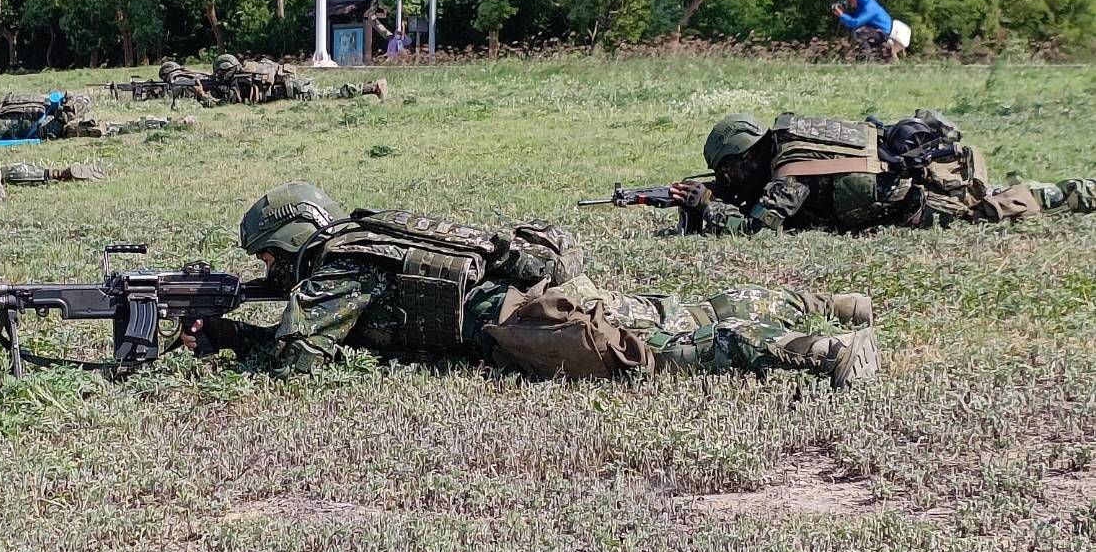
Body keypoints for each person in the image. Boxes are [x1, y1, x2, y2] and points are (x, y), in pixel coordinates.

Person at [182, 182, 881, 388]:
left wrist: (229, 340)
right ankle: (824, 302)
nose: (272, 272)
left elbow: (299, 360)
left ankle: (817, 350)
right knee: (669, 307)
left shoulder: (336, 269)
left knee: (661, 350)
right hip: (541, 287)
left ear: (291, 240)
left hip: (524, 323)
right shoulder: (371, 236)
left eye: (271, 259)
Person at [669, 111, 1096, 235]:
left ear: (746, 155)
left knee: (997, 206)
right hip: (913, 172)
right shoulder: (791, 135)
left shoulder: (788, 174)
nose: (730, 178)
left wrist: (707, 206)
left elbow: (758, 230)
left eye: (729, 170)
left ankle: (1078, 193)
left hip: (924, 198)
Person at [208, 54, 387, 104]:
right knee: (329, 93)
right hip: (292, 85)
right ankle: (371, 87)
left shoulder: (241, 79)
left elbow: (230, 100)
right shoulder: (248, 70)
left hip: (292, 90)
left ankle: (372, 87)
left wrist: (204, 95)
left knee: (331, 94)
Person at [0, 92, 104, 140]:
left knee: (69, 130)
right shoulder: (9, 104)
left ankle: (91, 128)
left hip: (50, 126)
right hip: (54, 112)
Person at [833, 0, 902, 60]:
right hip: (877, 32)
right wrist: (844, 13)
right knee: (859, 32)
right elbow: (854, 19)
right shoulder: (862, 6)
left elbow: (855, 22)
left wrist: (842, 15)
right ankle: (865, 56)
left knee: (860, 32)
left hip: (884, 33)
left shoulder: (870, 7)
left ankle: (866, 58)